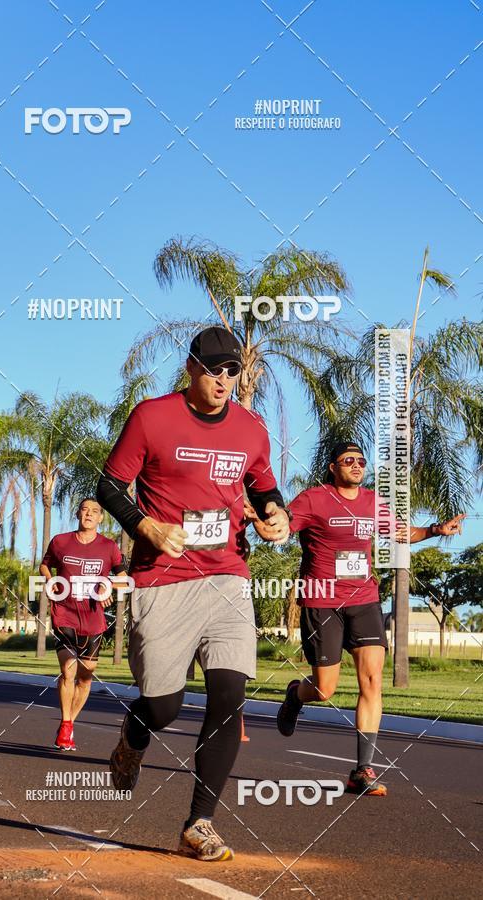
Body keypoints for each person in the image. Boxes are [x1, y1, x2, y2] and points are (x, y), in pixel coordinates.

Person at [97, 326, 290, 862]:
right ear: (191, 368)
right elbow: (109, 485)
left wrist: (277, 514)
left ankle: (198, 822)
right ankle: (136, 730)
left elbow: (264, 484)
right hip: (163, 579)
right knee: (163, 707)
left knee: (229, 696)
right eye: (214, 370)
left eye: (234, 371)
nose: (224, 379)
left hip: (228, 576)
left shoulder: (251, 427)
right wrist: (147, 527)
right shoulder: (151, 417)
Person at [272, 441, 465, 796]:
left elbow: (402, 532)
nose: (357, 465)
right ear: (333, 467)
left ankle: (362, 769)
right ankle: (296, 696)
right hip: (322, 600)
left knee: (372, 681)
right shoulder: (314, 499)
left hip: (364, 598)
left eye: (361, 460)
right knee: (325, 688)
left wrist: (437, 530)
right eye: (349, 460)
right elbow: (284, 527)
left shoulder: (374, 502)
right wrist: (267, 522)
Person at [40, 498, 127, 751]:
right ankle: (66, 725)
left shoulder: (109, 547)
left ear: (101, 518)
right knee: (68, 669)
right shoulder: (60, 541)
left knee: (85, 677)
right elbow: (45, 565)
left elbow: (124, 578)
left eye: (95, 512)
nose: (89, 514)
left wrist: (108, 584)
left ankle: (70, 722)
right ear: (78, 513)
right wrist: (50, 580)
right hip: (65, 612)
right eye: (85, 510)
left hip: (93, 618)